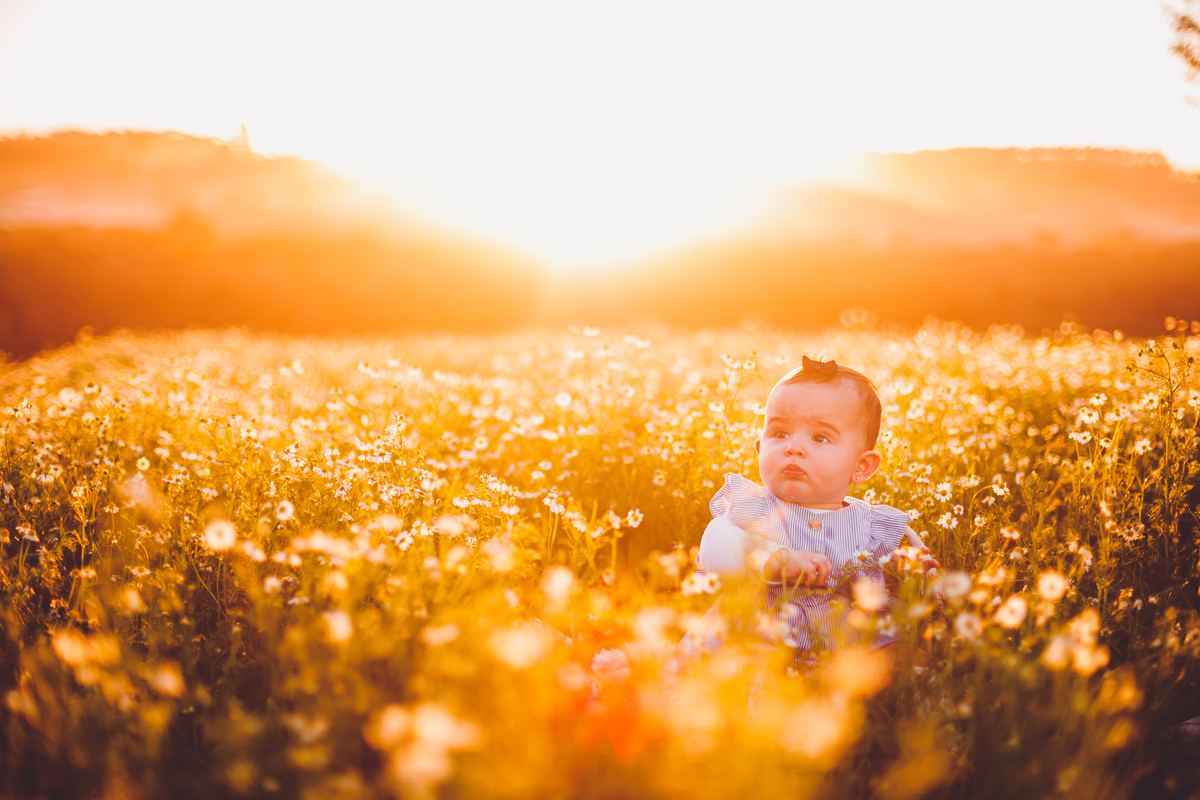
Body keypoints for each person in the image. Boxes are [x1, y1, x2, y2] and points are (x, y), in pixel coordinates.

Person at [683, 355, 938, 659]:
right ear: (760, 447)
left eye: (820, 437)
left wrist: (903, 575)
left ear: (861, 466)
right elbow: (714, 548)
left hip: (842, 650)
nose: (793, 447)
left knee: (901, 657)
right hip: (753, 639)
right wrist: (772, 559)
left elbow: (884, 597)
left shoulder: (874, 527)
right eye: (779, 433)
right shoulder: (753, 507)